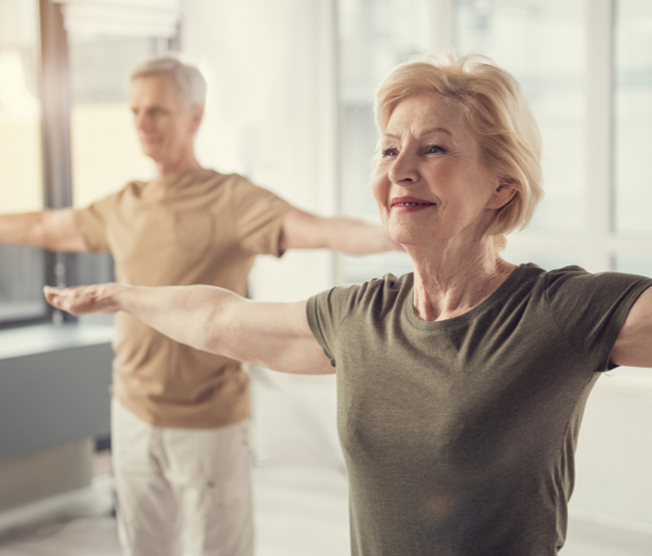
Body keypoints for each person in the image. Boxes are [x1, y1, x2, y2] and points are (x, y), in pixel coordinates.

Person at [44, 52, 652, 556]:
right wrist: (122, 295)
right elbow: (219, 318)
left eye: (434, 150)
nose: (401, 170)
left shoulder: (557, 312)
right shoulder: (363, 318)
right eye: (390, 150)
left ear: (502, 185)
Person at [0, 55, 399, 556]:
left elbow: (321, 228)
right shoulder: (126, 203)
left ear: (194, 117)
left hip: (209, 423)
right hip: (132, 410)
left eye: (158, 111)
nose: (143, 124)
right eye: (135, 112)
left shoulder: (230, 198)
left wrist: (394, 233)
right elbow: (43, 226)